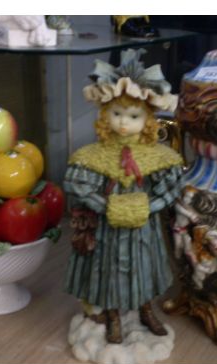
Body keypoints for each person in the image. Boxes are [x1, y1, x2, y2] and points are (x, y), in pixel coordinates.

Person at [63, 49, 183, 344]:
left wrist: (148, 206)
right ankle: (114, 314)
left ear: (148, 118)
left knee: (145, 264)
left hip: (145, 227)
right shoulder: (93, 155)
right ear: (105, 115)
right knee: (112, 267)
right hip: (109, 229)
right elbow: (78, 185)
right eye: (117, 114)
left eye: (133, 116)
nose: (124, 123)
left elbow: (172, 187)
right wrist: (107, 207)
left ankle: (146, 309)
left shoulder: (159, 156)